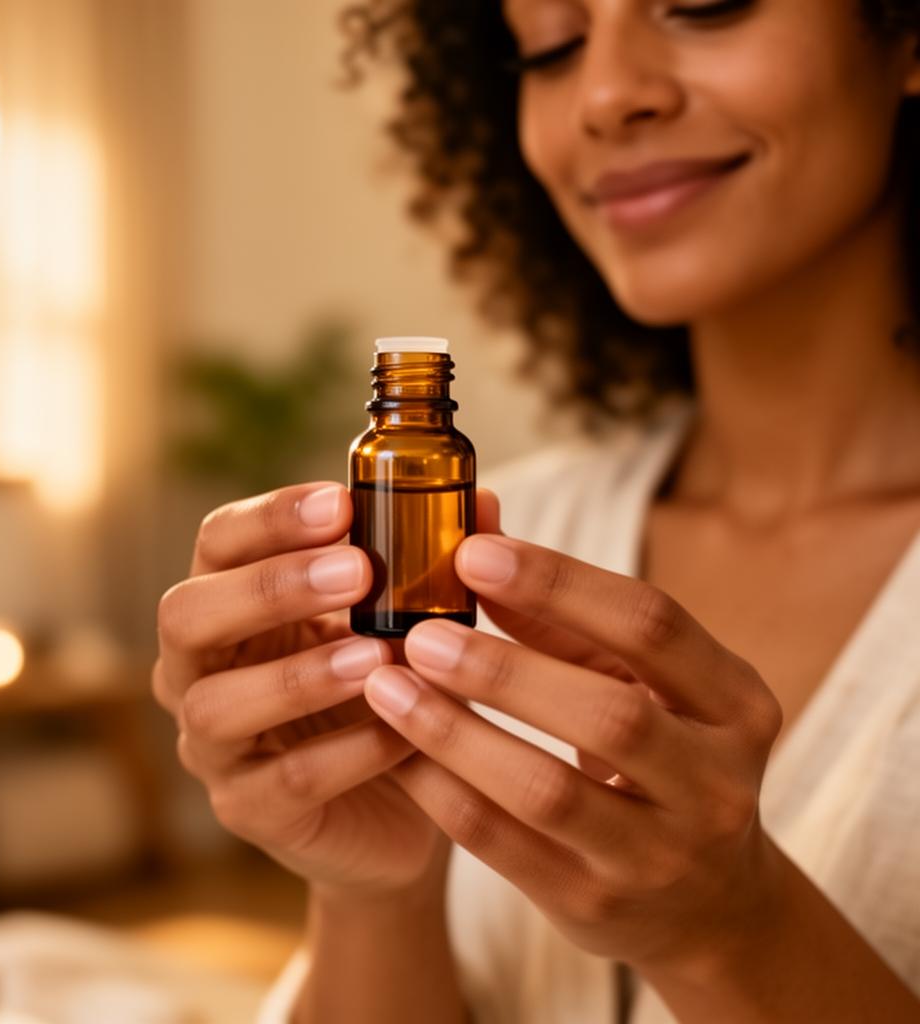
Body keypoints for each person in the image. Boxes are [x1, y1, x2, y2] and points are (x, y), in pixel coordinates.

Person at [152, 1, 920, 1020]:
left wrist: (732, 936)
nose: (602, 95)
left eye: (701, 4)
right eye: (549, 46)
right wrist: (373, 891)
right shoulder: (498, 534)